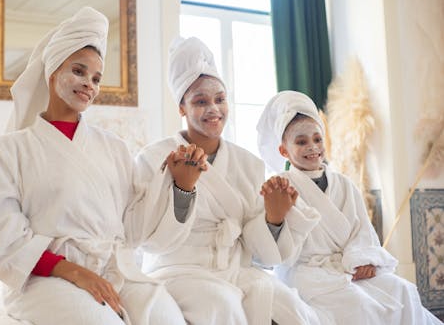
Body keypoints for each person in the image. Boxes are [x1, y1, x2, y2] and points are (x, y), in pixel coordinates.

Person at [0, 7, 185, 325]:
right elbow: (0, 239)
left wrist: (179, 183)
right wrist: (75, 272)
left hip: (113, 270)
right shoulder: (11, 149)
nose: (89, 83)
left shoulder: (114, 147)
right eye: (78, 71)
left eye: (97, 78)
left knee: (167, 317)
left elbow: (133, 226)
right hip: (41, 278)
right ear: (52, 73)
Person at [134, 37, 323, 325]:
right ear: (182, 108)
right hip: (178, 270)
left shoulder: (248, 164)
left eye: (220, 99)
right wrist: (182, 191)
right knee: (222, 308)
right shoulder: (153, 157)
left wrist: (273, 218)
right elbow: (148, 239)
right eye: (200, 101)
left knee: (296, 311)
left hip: (235, 270)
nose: (214, 109)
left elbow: (260, 255)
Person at [256, 90, 443, 324]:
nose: (312, 147)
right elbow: (277, 246)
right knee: (358, 305)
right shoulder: (280, 186)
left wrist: (362, 259)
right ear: (284, 150)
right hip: (307, 272)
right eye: (301, 141)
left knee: (403, 290)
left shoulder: (343, 184)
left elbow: (362, 230)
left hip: (348, 264)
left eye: (317, 139)